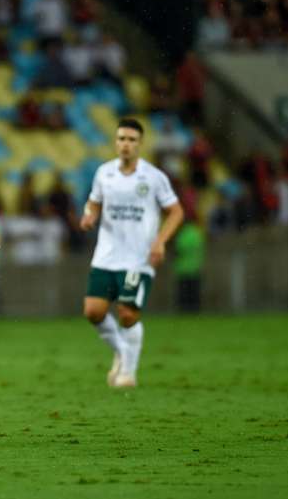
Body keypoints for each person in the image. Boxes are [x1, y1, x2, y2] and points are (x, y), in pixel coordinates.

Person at [80, 118, 183, 388]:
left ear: (140, 144)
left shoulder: (154, 177)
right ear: (116, 142)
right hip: (106, 255)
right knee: (93, 311)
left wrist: (160, 241)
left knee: (127, 314)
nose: (126, 144)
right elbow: (93, 202)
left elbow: (176, 211)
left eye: (131, 140)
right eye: (121, 139)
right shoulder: (104, 173)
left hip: (137, 259)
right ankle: (122, 350)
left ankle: (128, 372)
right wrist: (89, 216)